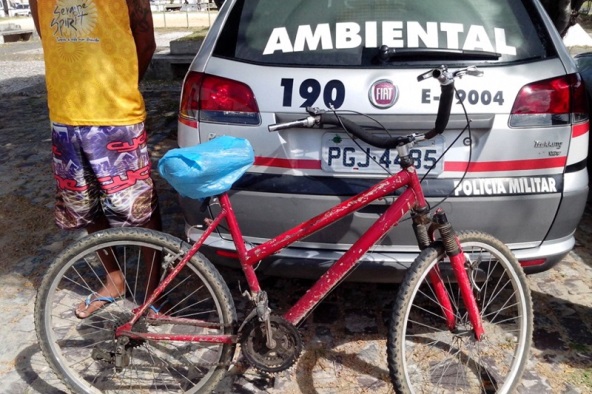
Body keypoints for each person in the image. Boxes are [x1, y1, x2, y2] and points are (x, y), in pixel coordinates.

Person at [30, 0, 163, 318]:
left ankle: (155, 289)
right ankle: (114, 279)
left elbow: (145, 43)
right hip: (65, 117)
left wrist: (118, 88)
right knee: (86, 207)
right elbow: (48, 34)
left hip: (117, 117)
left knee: (140, 208)